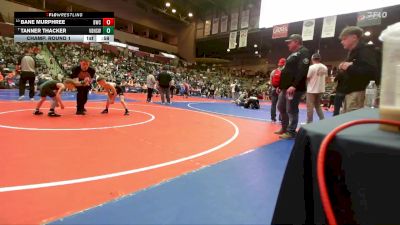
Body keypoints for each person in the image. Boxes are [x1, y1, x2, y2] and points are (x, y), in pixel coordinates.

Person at [276, 34, 310, 139]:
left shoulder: (304, 52)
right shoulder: (293, 54)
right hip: (286, 87)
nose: (288, 45)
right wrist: (280, 86)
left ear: (296, 41)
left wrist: (294, 85)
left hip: (294, 88)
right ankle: (285, 127)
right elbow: (287, 72)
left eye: (289, 42)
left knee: (291, 109)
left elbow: (303, 70)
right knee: (281, 107)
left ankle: (291, 131)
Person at [338, 26, 380, 113]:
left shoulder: (365, 51)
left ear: (354, 37)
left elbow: (371, 72)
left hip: (359, 93)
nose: (342, 42)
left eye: (344, 39)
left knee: (352, 121)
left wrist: (349, 67)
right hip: (351, 92)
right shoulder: (355, 52)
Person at [306, 53, 327, 123]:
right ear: (320, 59)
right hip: (320, 89)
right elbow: (325, 77)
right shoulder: (325, 67)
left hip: (312, 90)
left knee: (310, 107)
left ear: (312, 59)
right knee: (318, 106)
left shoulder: (311, 67)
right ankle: (322, 120)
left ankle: (309, 122)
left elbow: (307, 77)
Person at [270, 58, 286, 122]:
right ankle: (281, 118)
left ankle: (273, 118)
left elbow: (271, 81)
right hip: (281, 90)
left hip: (274, 89)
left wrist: (274, 87)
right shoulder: (285, 72)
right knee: (282, 105)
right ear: (284, 64)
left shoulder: (273, 71)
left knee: (273, 104)